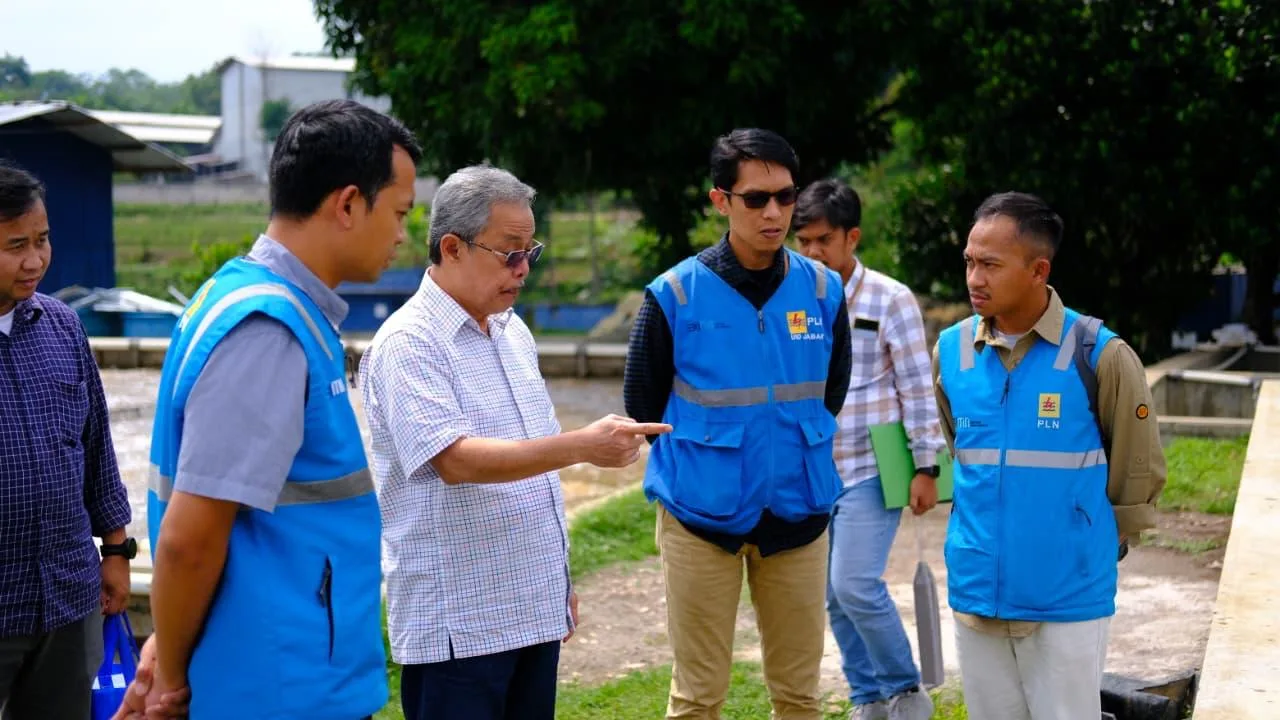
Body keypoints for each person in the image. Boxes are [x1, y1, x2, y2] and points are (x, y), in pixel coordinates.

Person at [122, 99, 422, 719]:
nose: (401, 236)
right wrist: (171, 677)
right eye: (398, 214)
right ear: (346, 204)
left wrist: (165, 646)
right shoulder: (269, 331)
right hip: (281, 687)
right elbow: (190, 536)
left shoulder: (244, 297)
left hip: (282, 670)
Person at [359, 163, 669, 720]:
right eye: (510, 253)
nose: (524, 269)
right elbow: (454, 460)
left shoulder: (512, 330)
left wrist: (558, 581)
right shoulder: (410, 342)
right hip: (460, 624)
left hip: (530, 608)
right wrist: (583, 446)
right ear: (451, 247)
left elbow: (539, 469)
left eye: (531, 251)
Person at [624, 129, 852, 720]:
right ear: (720, 201)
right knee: (698, 698)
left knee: (800, 697)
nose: (774, 212)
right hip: (701, 518)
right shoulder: (673, 294)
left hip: (799, 514)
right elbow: (642, 405)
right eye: (756, 199)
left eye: (785, 196)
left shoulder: (824, 291)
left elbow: (830, 392)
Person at [932, 192, 1167, 720]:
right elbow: (964, 454)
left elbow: (1136, 470)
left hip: (1067, 596)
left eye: (991, 264)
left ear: (1039, 270)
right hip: (976, 592)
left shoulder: (1100, 354)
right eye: (970, 261)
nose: (974, 278)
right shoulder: (950, 351)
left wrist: (1095, 546)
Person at [793, 179, 941, 720]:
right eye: (802, 241)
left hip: (873, 466)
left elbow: (917, 388)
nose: (811, 252)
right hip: (811, 470)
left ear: (852, 237)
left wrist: (927, 467)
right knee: (831, 595)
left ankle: (906, 691)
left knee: (853, 583)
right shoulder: (793, 297)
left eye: (822, 240)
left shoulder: (890, 298)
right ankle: (868, 699)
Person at [0, 160, 133, 719]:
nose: (35, 260)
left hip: (67, 595)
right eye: (15, 245)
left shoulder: (62, 328)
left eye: (43, 240)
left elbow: (97, 450)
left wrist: (117, 550)